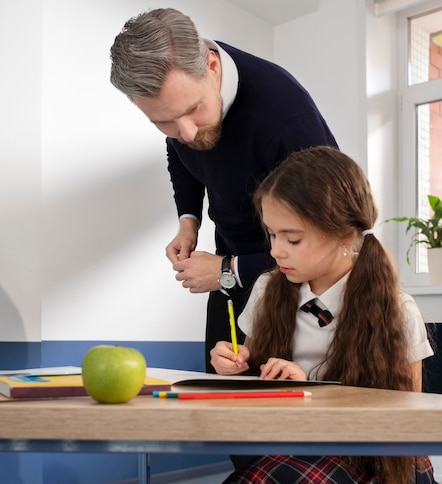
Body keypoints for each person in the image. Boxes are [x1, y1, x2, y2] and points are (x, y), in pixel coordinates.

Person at [155, 146, 442, 484]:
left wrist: (314, 385)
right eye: (271, 235)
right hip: (293, 465)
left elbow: (407, 422)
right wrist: (236, 364)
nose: (274, 250)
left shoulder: (393, 308)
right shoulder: (271, 288)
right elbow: (258, 376)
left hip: (374, 474)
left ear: (342, 235)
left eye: (291, 238)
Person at [109, 7, 338, 373]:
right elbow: (180, 157)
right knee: (219, 395)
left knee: (284, 409)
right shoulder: (182, 115)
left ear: (211, 66)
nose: (185, 133)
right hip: (228, 269)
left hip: (296, 282)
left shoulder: (286, 118)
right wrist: (189, 220)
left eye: (192, 110)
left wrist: (227, 269)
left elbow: (330, 236)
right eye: (163, 122)